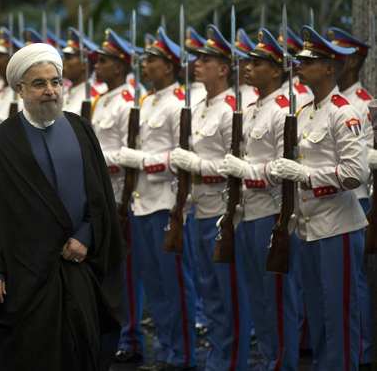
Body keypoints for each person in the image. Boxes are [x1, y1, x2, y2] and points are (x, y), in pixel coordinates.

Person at [0, 42, 125, 371]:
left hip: (77, 262)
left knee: (83, 348)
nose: (50, 91)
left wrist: (86, 235)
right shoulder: (1, 142)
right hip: (24, 269)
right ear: (20, 89)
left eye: (55, 82)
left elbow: (99, 196)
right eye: (39, 84)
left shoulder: (80, 129)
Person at [271, 26, 367, 370]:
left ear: (330, 67)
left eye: (309, 61)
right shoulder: (308, 111)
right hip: (308, 225)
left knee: (338, 312)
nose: (300, 64)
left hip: (337, 227)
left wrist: (307, 176)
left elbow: (356, 173)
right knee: (317, 310)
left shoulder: (345, 112)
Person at [169, 24, 252, 370]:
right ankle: (218, 356)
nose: (197, 63)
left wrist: (198, 164)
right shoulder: (200, 106)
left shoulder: (231, 109)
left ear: (224, 67)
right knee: (210, 291)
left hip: (223, 209)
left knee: (229, 292)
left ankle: (231, 360)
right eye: (197, 58)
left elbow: (239, 163)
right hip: (199, 207)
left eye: (206, 59)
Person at [218, 28, 300, 369]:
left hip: (271, 212)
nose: (248, 67)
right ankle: (269, 359)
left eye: (258, 62)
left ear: (277, 70)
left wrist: (246, 169)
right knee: (257, 297)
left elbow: (286, 166)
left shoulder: (283, 110)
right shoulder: (252, 109)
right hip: (247, 212)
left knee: (277, 299)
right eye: (248, 61)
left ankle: (283, 362)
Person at [117, 27, 197, 371]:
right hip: (141, 201)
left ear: (169, 65)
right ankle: (166, 350)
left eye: (151, 60)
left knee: (174, 283)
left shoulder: (180, 102)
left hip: (167, 200)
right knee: (154, 283)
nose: (144, 65)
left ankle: (182, 353)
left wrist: (144, 161)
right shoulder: (147, 101)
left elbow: (183, 156)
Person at [92, 28, 144, 364]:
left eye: (105, 60)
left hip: (121, 194)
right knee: (104, 269)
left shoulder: (127, 103)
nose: (98, 65)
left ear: (121, 66)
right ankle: (110, 330)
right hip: (101, 193)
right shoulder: (102, 99)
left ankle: (131, 335)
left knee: (127, 272)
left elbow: (129, 154)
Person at [328, 26, 374, 367]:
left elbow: (372, 155)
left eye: (340, 57)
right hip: (322, 199)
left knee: (352, 285)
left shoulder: (364, 104)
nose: (334, 63)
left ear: (356, 61)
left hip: (356, 198)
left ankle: (361, 351)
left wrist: (352, 156)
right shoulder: (322, 103)